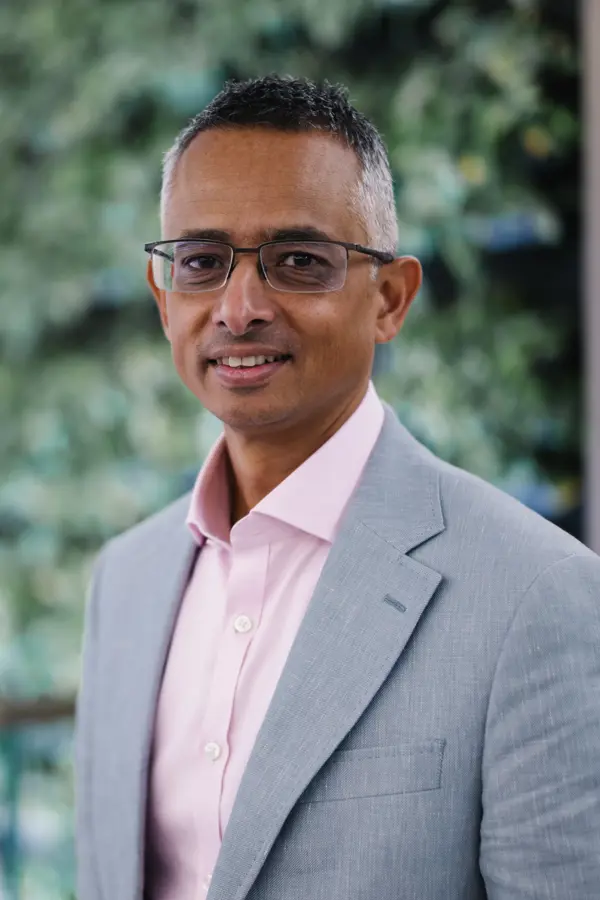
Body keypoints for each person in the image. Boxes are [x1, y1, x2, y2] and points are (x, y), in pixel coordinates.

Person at [74, 75, 600, 900]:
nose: (239, 308)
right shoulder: (124, 582)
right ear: (163, 297)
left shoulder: (537, 594)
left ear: (390, 299)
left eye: (298, 262)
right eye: (202, 263)